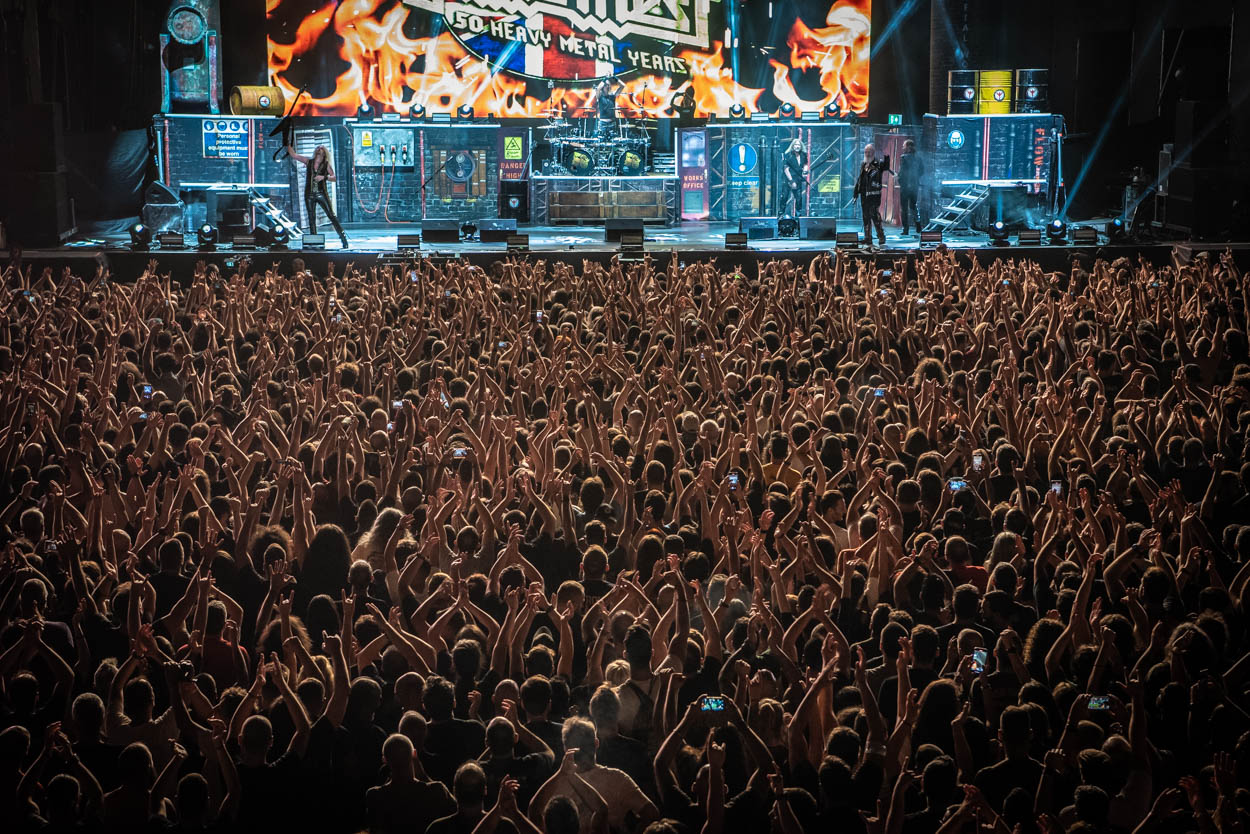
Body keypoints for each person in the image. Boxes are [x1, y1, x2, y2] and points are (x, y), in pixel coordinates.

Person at [286, 143, 349, 248]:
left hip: (321, 193)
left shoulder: (326, 164)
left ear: (324, 153)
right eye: (318, 148)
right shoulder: (308, 161)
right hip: (309, 194)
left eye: (321, 148)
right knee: (311, 217)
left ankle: (343, 238)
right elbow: (294, 155)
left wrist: (323, 177)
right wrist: (287, 141)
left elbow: (334, 177)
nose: (319, 149)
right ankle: (314, 240)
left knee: (331, 215)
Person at [854, 142, 890, 246]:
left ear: (873, 152)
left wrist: (886, 157)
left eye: (869, 152)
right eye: (866, 152)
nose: (867, 154)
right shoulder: (863, 164)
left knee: (875, 216)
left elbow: (886, 167)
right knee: (866, 216)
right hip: (864, 195)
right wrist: (856, 192)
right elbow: (860, 179)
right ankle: (867, 237)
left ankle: (881, 236)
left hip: (874, 194)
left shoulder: (878, 164)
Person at [898, 138, 924, 235]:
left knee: (904, 208)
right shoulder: (918, 158)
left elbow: (902, 172)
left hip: (905, 187)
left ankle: (905, 229)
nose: (903, 147)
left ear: (908, 147)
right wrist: (915, 179)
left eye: (904, 146)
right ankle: (918, 226)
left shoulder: (903, 157)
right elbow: (922, 171)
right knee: (913, 206)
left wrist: (900, 180)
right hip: (914, 186)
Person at [781, 138, 808, 217]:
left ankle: (798, 215)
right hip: (788, 179)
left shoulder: (803, 155)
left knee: (799, 198)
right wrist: (791, 181)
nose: (797, 146)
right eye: (796, 144)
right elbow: (786, 169)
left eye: (799, 144)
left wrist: (805, 171)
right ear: (793, 146)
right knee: (784, 197)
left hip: (798, 179)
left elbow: (805, 164)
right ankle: (781, 214)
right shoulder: (788, 155)